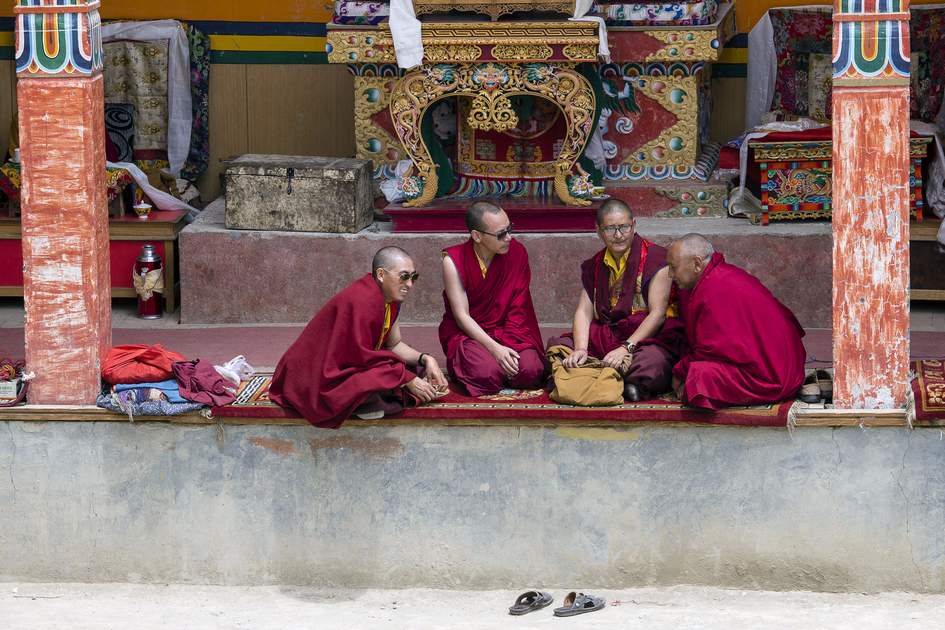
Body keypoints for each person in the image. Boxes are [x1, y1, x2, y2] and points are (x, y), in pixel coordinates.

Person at [269, 246, 448, 428]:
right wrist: (405, 378)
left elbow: (393, 345)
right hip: (314, 375)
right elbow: (361, 357)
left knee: (408, 370)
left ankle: (376, 400)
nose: (409, 284)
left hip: (351, 362)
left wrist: (426, 359)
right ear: (381, 274)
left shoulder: (389, 299)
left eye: (414, 277)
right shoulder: (362, 300)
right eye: (404, 276)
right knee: (376, 384)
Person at [548, 199, 687, 401]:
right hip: (607, 337)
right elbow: (583, 312)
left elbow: (657, 314)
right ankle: (619, 382)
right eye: (611, 229)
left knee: (654, 361)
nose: (619, 235)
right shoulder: (595, 264)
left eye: (624, 227)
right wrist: (580, 348)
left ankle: (588, 377)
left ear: (634, 225)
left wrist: (626, 348)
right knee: (558, 346)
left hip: (641, 340)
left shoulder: (656, 259)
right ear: (598, 231)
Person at [666, 233, 806, 410]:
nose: (671, 274)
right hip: (786, 367)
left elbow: (713, 350)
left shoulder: (715, 289)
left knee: (699, 377)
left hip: (773, 379)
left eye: (673, 267)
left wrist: (681, 370)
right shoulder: (721, 275)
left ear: (697, 263)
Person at [439, 201, 545, 396]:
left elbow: (518, 307)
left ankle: (491, 366)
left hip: (509, 330)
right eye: (501, 234)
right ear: (476, 236)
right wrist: (495, 349)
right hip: (471, 334)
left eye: (509, 229)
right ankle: (480, 364)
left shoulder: (517, 252)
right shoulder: (453, 261)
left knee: (530, 371)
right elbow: (461, 316)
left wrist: (510, 344)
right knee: (486, 374)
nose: (509, 238)